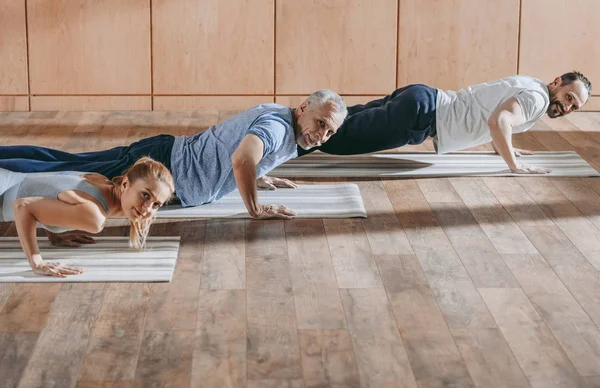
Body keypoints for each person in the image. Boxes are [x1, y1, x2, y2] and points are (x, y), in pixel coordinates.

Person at [0, 89, 347, 221]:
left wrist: (261, 173)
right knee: (62, 168)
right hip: (158, 169)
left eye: (330, 132)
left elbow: (245, 153)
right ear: (303, 108)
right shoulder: (279, 129)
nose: (321, 135)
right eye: (320, 123)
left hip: (164, 159)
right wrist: (255, 209)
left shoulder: (284, 122)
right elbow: (242, 158)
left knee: (65, 163)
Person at [300, 71, 592, 174]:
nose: (566, 107)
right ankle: (274, 144)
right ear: (557, 82)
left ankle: (288, 120)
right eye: (568, 97)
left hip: (422, 99)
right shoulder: (537, 100)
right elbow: (499, 120)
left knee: (342, 119)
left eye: (573, 107)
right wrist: (514, 166)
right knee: (338, 138)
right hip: (421, 116)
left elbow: (494, 115)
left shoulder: (532, 85)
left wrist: (509, 147)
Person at [0, 157, 175, 277]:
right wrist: (37, 263)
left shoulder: (100, 180)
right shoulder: (94, 217)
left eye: (156, 204)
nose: (147, 208)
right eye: (145, 195)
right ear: (125, 183)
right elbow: (22, 206)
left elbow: (48, 191)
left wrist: (55, 229)